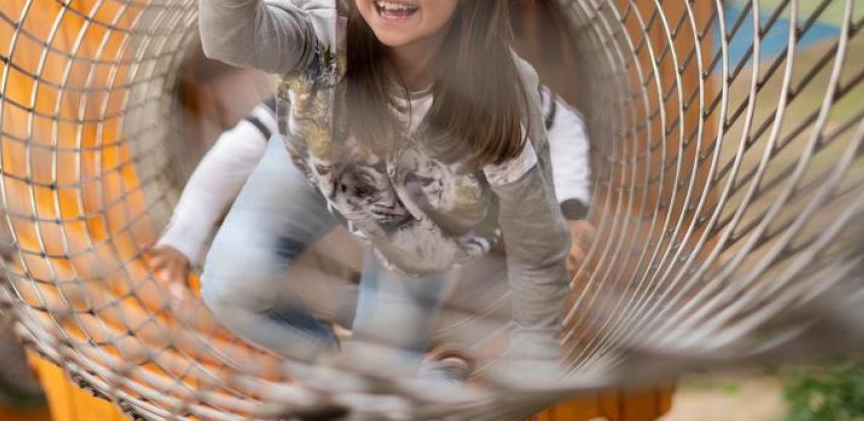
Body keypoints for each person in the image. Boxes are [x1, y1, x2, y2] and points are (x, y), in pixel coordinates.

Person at [193, 0, 572, 378]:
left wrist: (536, 348)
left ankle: (391, 380)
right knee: (230, 284)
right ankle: (338, 370)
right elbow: (234, 40)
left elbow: (537, 245)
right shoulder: (328, 26)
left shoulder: (500, 98)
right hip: (320, 160)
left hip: (426, 220)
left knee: (381, 370)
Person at [150, 84, 595, 302]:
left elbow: (564, 125)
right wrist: (182, 237)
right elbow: (239, 148)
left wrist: (569, 208)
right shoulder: (318, 92)